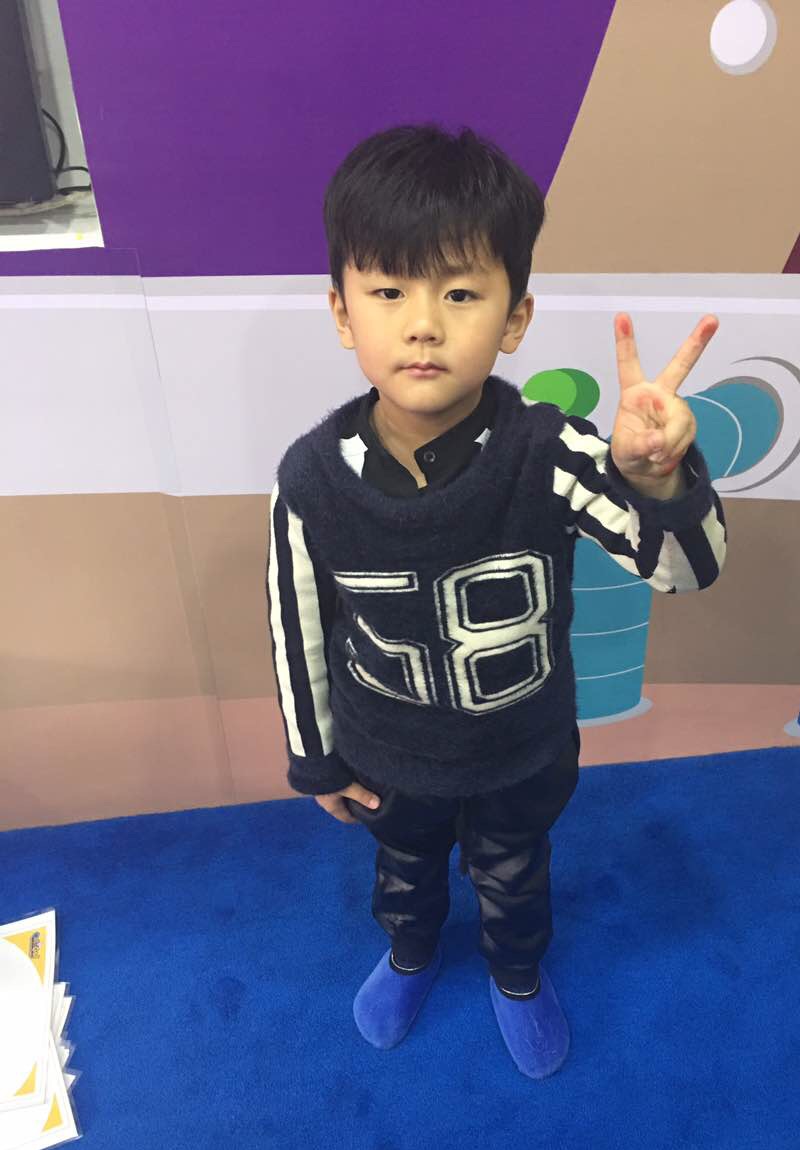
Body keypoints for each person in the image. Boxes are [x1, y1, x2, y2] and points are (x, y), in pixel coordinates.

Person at [265, 123, 727, 1080]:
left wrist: (658, 477)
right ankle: (411, 954)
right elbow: (297, 624)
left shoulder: (553, 451)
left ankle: (517, 974)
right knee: (403, 875)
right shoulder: (310, 478)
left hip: (522, 750)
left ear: (515, 319)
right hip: (389, 753)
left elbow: (686, 570)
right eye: (389, 292)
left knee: (514, 876)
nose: (422, 325)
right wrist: (316, 759)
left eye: (461, 294)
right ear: (343, 312)